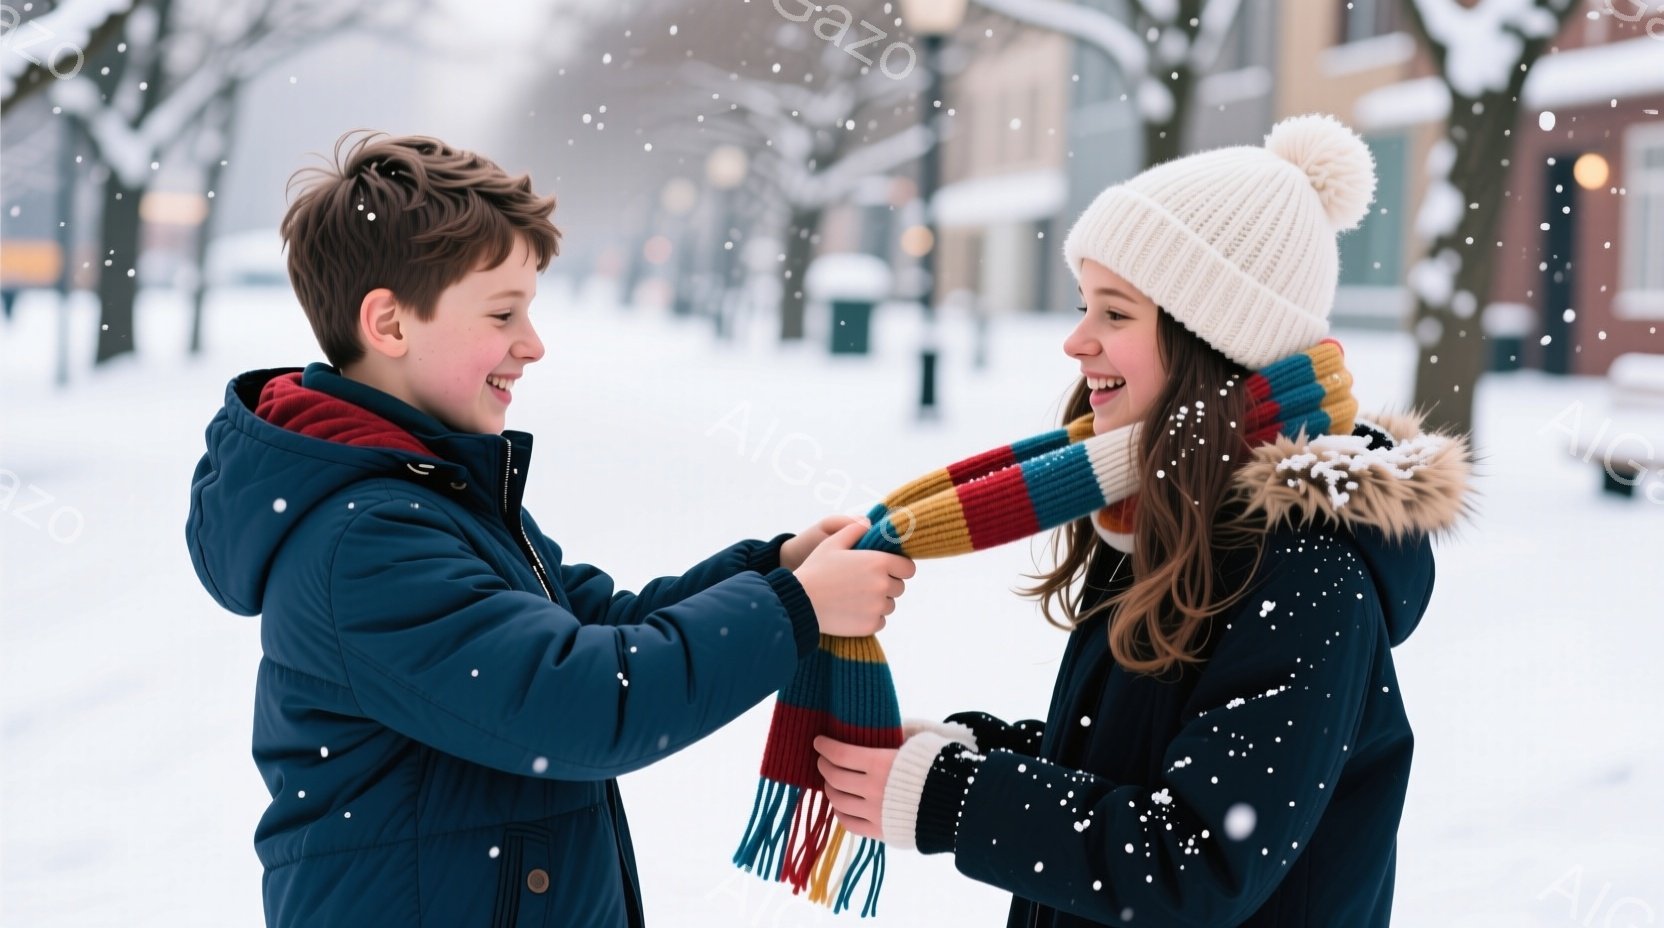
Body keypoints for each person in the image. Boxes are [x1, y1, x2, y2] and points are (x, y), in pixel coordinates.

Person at [183, 131, 915, 927]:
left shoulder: (430, 493)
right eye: (504, 313)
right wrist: (795, 607)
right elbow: (584, 699)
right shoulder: (365, 544)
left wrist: (776, 571)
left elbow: (595, 627)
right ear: (389, 324)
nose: (532, 345)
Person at [813, 113, 1473, 926]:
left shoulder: (1305, 571)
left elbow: (1200, 859)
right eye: (1084, 306)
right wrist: (970, 756)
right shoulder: (1166, 509)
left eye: (1115, 314)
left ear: (1214, 340)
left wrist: (959, 800)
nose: (1076, 341)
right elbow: (1136, 758)